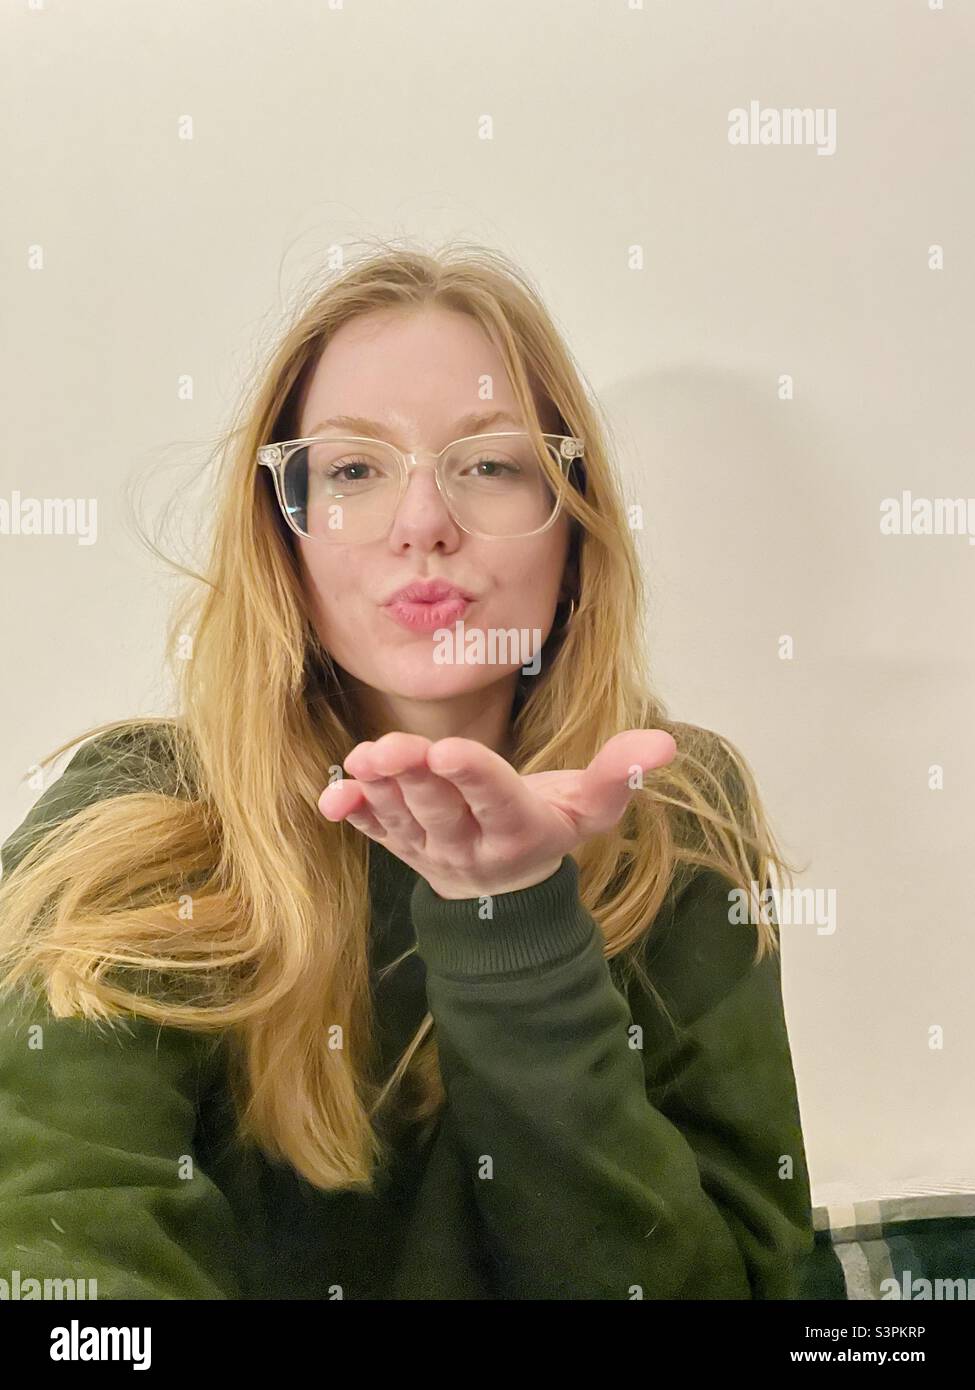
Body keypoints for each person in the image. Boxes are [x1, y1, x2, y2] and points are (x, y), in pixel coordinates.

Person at [0, 241, 818, 1300]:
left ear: (575, 523)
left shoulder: (675, 812)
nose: (423, 524)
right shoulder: (137, 811)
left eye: (489, 465)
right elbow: (64, 1252)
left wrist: (517, 924)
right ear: (282, 532)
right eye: (353, 470)